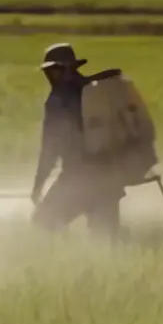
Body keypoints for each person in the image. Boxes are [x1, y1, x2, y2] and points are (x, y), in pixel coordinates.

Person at [30, 42, 133, 240]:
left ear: (67, 69)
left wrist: (38, 185)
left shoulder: (57, 102)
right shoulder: (97, 92)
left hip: (77, 180)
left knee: (43, 222)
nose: (51, 77)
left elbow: (50, 149)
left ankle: (65, 261)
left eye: (54, 71)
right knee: (106, 239)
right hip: (110, 180)